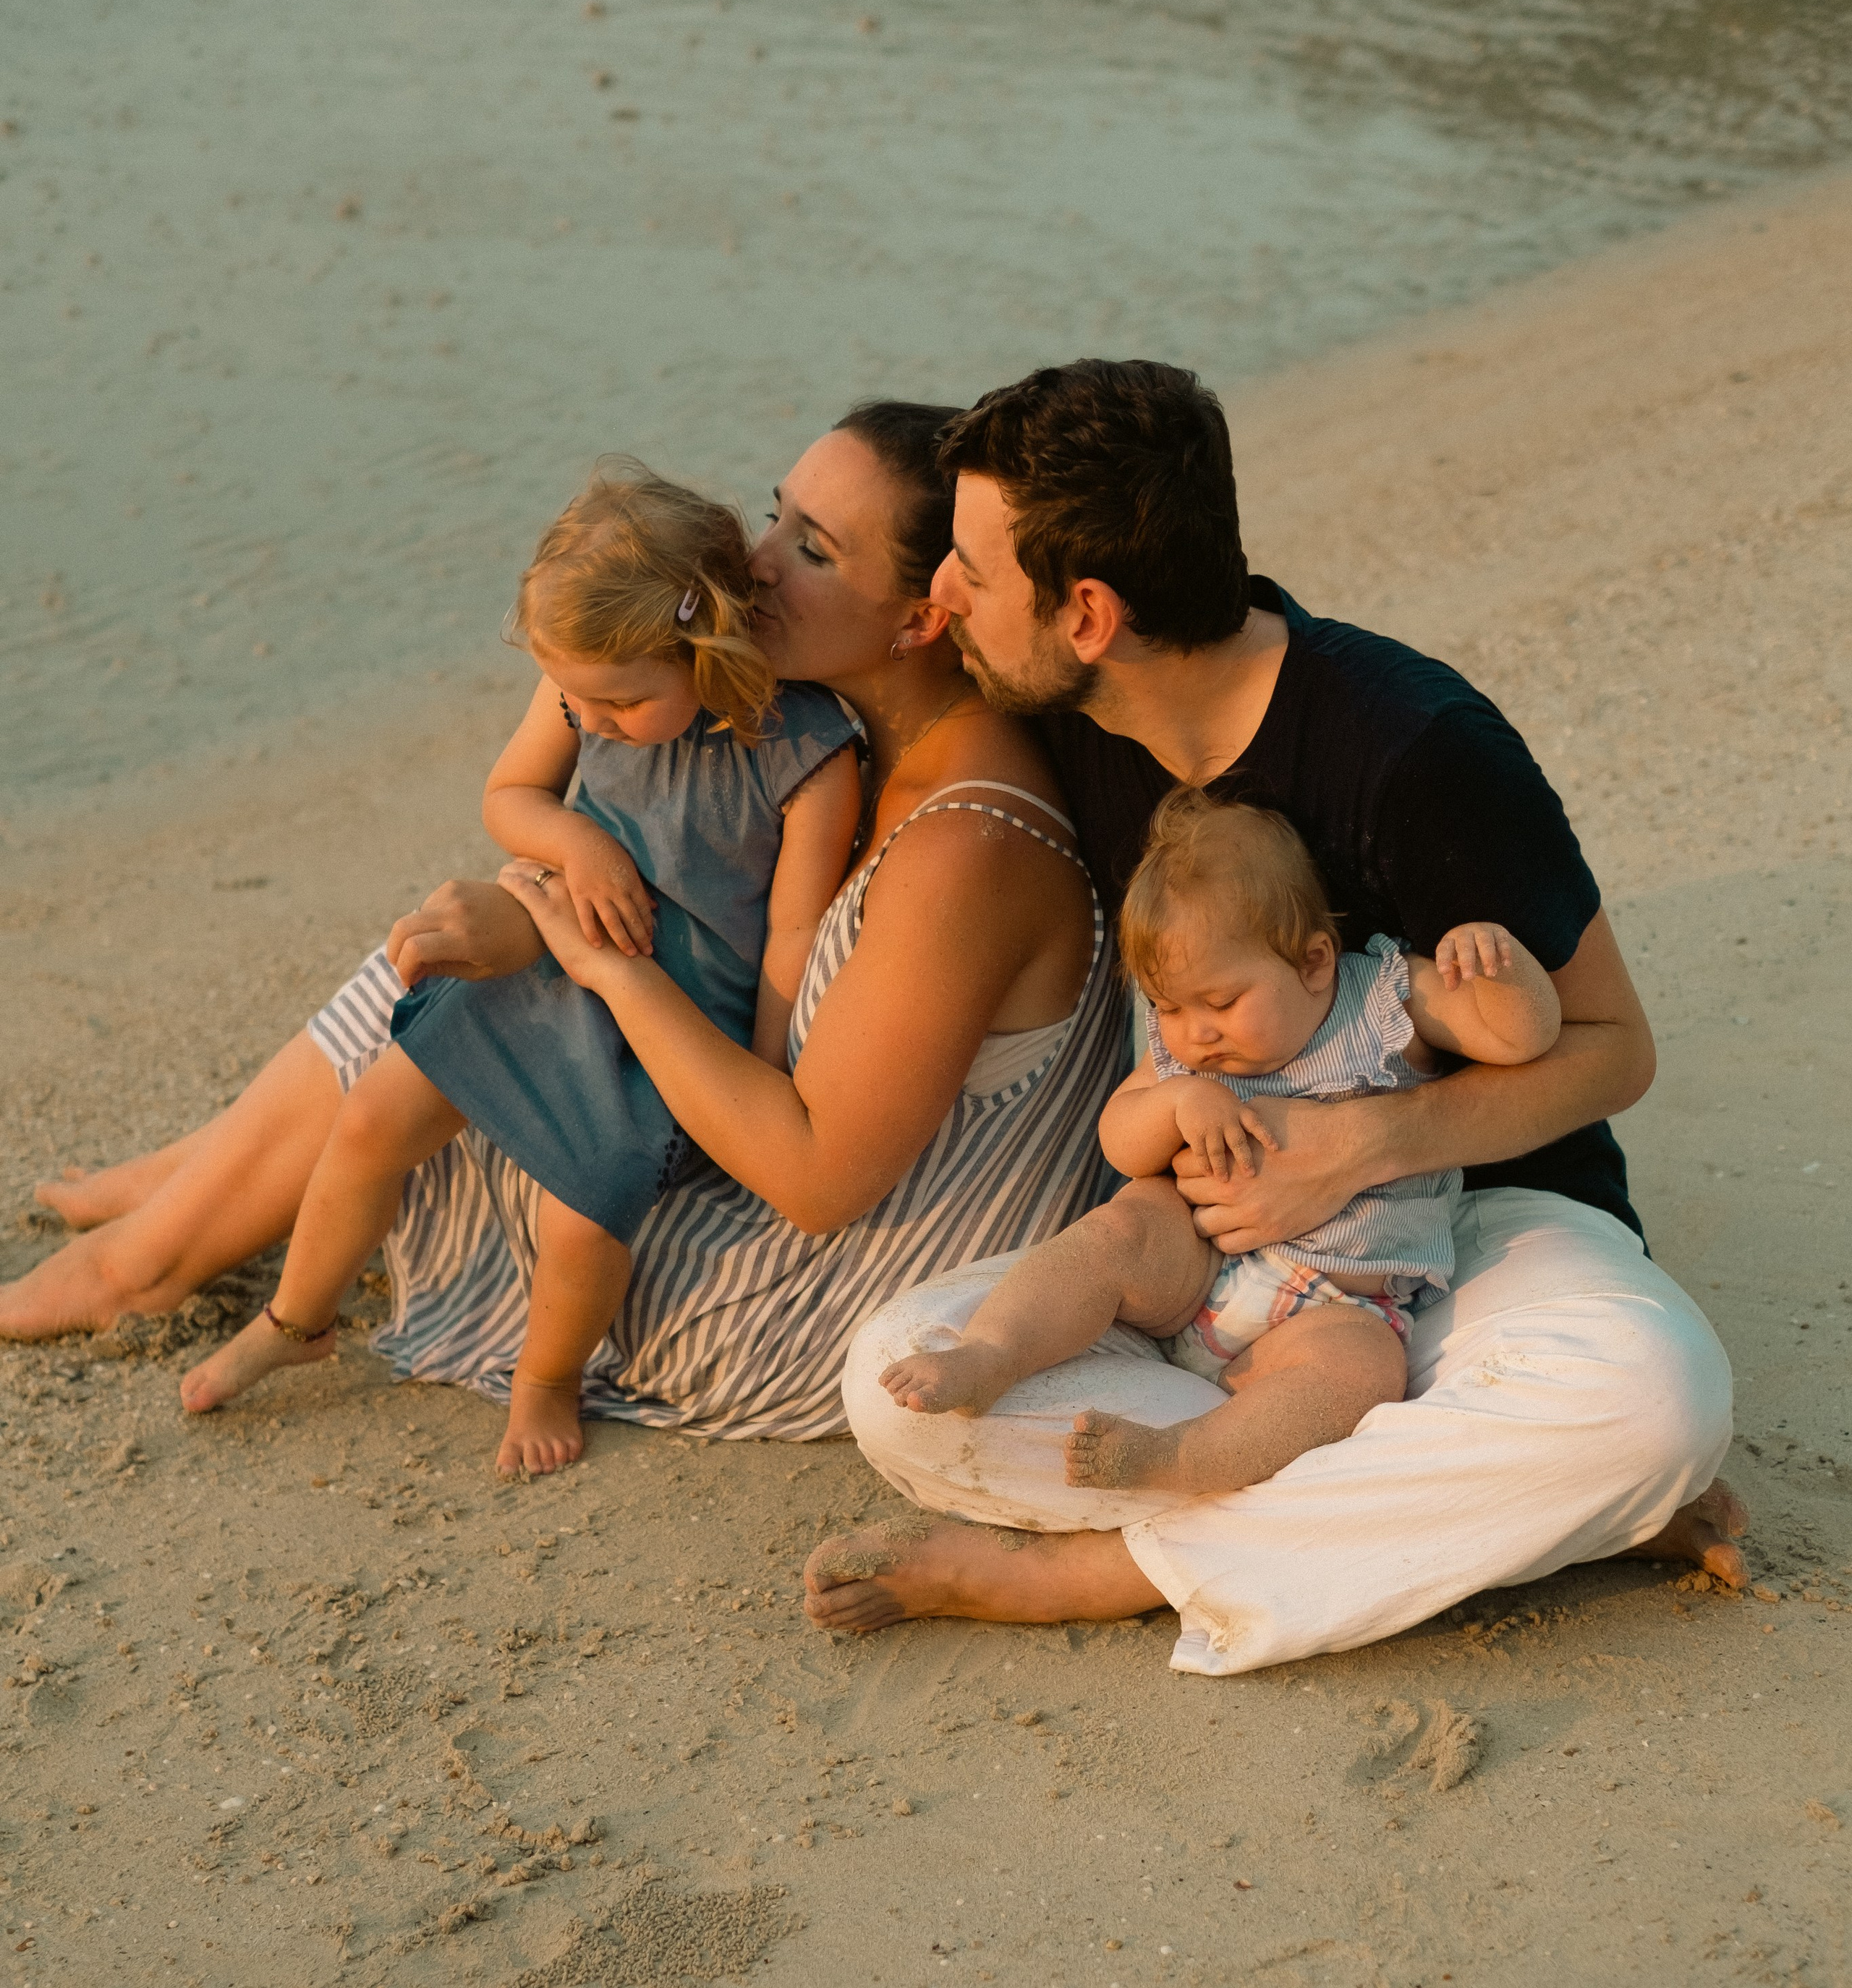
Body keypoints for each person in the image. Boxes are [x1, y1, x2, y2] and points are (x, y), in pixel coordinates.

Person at [809, 358, 1745, 1670]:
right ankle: (1499, 1506)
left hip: (1469, 1233)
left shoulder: (1415, 744)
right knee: (899, 1379)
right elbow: (821, 661)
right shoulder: (1070, 725)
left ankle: (1106, 1573)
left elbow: (1614, 1051)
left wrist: (1360, 1148)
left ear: (1088, 611)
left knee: (1653, 1410)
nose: (939, 593)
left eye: (967, 564)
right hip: (1208, 1265)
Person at [4, 406, 1121, 1448]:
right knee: (480, 947)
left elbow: (818, 1180)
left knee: (468, 977)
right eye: (774, 512)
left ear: (925, 615)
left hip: (785, 1292)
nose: (759, 561)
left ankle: (152, 1255)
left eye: (815, 550)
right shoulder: (864, 741)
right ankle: (188, 1181)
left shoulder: (965, 843)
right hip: (761, 1182)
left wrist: (583, 954)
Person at [175, 464, 860, 1474]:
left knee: (580, 1222)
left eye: (622, 702)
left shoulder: (809, 754)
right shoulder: (586, 683)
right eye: (574, 697)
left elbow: (795, 943)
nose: (590, 720)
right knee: (369, 1119)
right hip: (539, 975)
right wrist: (577, 844)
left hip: (663, 1026)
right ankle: (296, 1317)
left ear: (705, 648)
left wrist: (761, 1078)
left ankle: (544, 1377)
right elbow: (511, 797)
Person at [879, 789, 1563, 1499]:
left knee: (1360, 1372)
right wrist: (1174, 1101)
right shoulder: (1186, 1059)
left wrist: (1496, 969)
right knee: (1121, 1227)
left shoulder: (1381, 1004)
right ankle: (992, 1352)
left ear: (1314, 962)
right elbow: (1120, 1143)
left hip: (1335, 1302)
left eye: (1221, 1002)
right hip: (1194, 1268)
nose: (1193, 1032)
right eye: (1167, 1007)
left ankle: (1186, 1457)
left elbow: (1521, 1040)